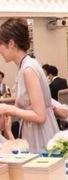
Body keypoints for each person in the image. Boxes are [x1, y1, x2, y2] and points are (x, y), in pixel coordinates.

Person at [0, 18, 59, 153]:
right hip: (33, 130)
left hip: (40, 133)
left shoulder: (28, 69)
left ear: (11, 43)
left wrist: (8, 109)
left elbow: (40, 116)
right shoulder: (25, 66)